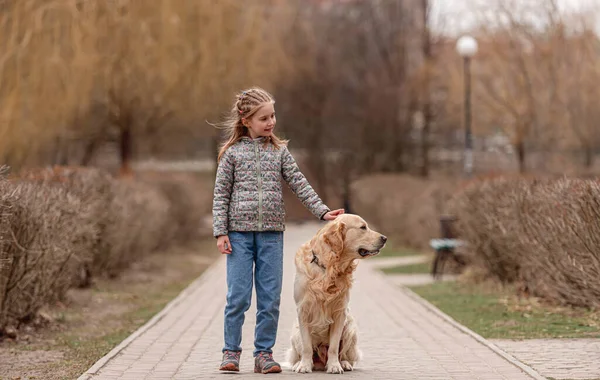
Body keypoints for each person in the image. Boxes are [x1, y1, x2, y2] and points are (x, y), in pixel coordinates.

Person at [212, 87, 343, 374]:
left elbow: (299, 183)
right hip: (238, 236)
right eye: (263, 118)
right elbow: (221, 195)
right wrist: (221, 232)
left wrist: (322, 211)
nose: (271, 122)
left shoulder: (279, 152)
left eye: (272, 116)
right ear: (246, 120)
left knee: (270, 298)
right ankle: (230, 352)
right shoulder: (232, 154)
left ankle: (263, 354)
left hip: (271, 235)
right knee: (238, 297)